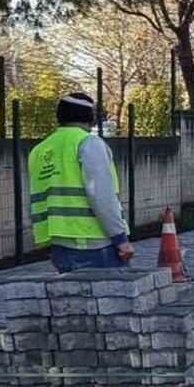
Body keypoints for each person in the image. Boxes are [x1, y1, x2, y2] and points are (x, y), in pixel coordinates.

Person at [28, 93, 133, 272]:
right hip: (95, 243)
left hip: (59, 244)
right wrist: (120, 239)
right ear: (90, 117)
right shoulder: (88, 143)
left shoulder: (40, 150)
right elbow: (101, 196)